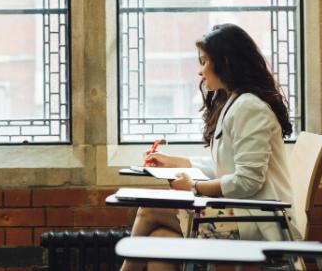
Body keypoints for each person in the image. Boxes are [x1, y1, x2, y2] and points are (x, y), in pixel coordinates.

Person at [121, 23, 300, 271]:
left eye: (204, 62)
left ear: (225, 61)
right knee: (160, 241)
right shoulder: (234, 102)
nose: (200, 71)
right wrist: (172, 161)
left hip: (259, 221)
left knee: (149, 210)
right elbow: (225, 167)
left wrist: (194, 187)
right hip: (242, 214)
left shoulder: (250, 107)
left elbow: (248, 181)